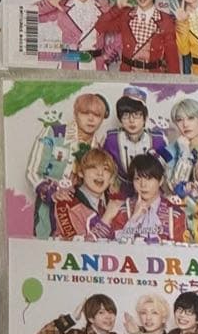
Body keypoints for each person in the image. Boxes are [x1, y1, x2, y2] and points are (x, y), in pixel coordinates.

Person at [25, 92, 109, 238]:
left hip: (80, 219)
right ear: (75, 114)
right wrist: (52, 193)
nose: (91, 119)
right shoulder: (53, 132)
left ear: (102, 119)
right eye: (85, 113)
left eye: (97, 115)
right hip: (48, 214)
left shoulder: (98, 150)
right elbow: (32, 172)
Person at [95, 0, 179, 73]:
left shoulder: (166, 20)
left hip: (154, 77)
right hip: (127, 75)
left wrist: (174, 81)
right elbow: (100, 26)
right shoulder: (126, 15)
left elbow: (172, 57)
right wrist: (117, 8)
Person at [92, 154, 186, 245]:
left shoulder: (175, 214)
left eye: (149, 178)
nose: (143, 185)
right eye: (137, 179)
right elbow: (114, 248)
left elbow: (181, 250)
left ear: (161, 180)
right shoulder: (123, 210)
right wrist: (133, 219)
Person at [36, 0, 113, 70]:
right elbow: (27, 16)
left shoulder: (104, 9)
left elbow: (118, 35)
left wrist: (106, 57)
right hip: (68, 69)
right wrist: (47, 4)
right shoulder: (60, 7)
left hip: (97, 69)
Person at [99, 87, 169, 196]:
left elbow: (167, 170)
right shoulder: (110, 139)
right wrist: (111, 182)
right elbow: (101, 166)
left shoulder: (159, 140)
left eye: (136, 114)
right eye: (126, 115)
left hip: (150, 195)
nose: (131, 120)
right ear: (120, 118)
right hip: (119, 194)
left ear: (145, 117)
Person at [50, 147, 115, 241]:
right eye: (93, 167)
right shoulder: (66, 202)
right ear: (81, 172)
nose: (100, 173)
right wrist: (106, 219)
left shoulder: (111, 203)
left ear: (111, 178)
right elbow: (77, 247)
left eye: (105, 169)